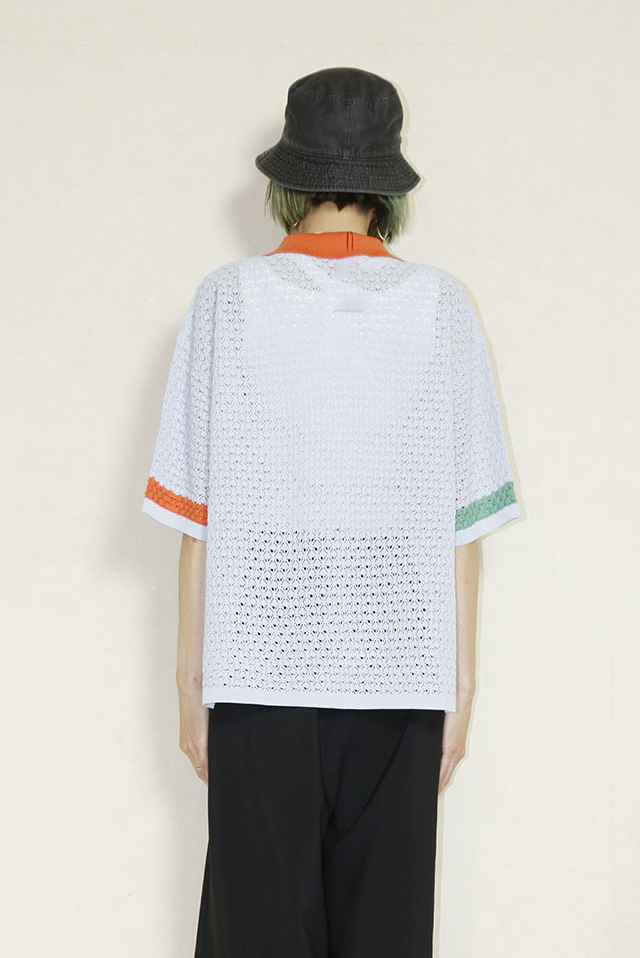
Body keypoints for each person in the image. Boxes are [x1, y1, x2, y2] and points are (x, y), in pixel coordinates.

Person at [141, 66, 521, 958]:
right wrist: (459, 691)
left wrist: (191, 687)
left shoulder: (227, 299)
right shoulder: (443, 306)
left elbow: (200, 524)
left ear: (288, 179)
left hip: (256, 672)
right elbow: (461, 534)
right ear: (388, 186)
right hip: (402, 674)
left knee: (256, 933)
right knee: (387, 932)